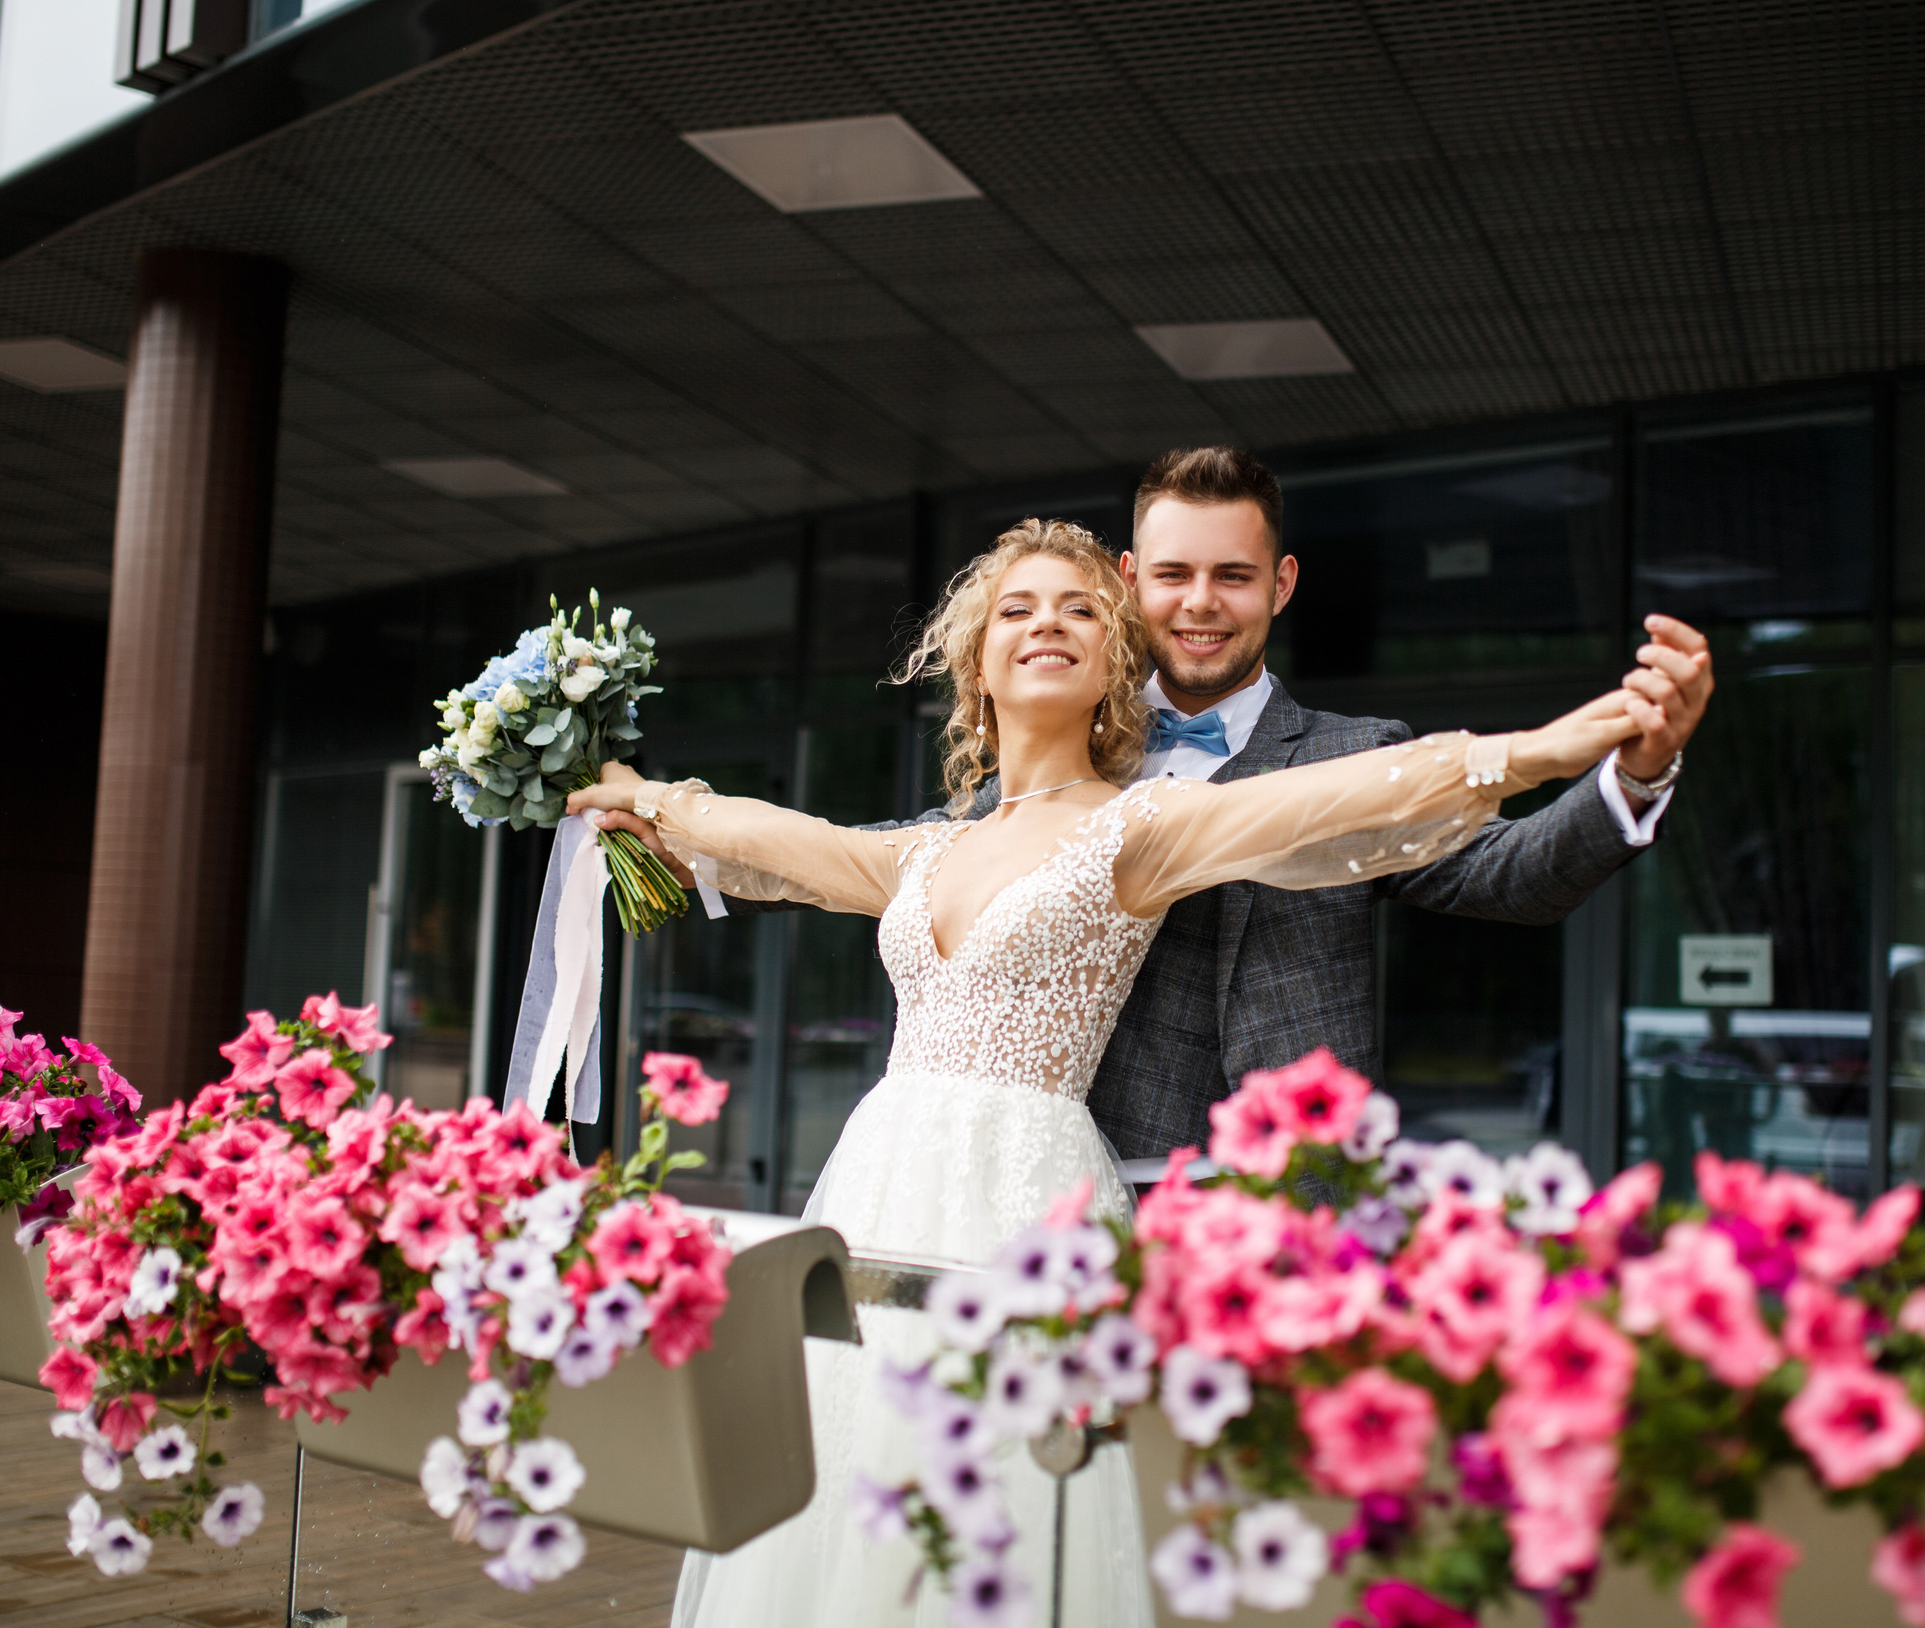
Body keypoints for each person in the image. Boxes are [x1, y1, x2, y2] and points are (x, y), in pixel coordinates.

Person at [567, 517, 1650, 1628]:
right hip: (880, 1182)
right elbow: (771, 834)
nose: (1048, 625)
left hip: (1024, 1196)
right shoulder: (922, 849)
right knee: (851, 1470)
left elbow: (1346, 795)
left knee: (999, 1484)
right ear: (977, 664)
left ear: (1115, 661)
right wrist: (638, 795)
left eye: (1081, 609)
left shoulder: (1142, 826)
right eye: (1019, 611)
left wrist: (1539, 752)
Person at [609, 446, 1714, 1163]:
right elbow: (858, 865)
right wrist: (660, 830)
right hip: (1066, 1185)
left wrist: (1631, 776)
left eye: (1233, 577)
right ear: (1132, 582)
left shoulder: (1350, 756)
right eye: (1175, 576)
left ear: (1278, 586)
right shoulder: (1026, 777)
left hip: (1287, 1198)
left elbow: (1509, 878)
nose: (1200, 605)